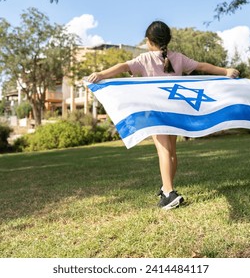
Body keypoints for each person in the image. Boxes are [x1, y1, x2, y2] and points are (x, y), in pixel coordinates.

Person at [88, 21, 239, 210]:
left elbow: (123, 66)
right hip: (176, 111)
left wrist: (101, 74)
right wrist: (226, 71)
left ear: (149, 41)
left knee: (163, 151)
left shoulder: (145, 59)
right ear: (167, 39)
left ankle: (169, 193)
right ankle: (166, 187)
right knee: (172, 152)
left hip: (156, 113)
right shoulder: (178, 58)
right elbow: (202, 66)